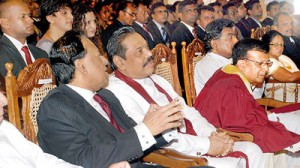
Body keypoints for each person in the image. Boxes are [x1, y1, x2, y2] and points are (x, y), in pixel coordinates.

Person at [106, 26, 267, 168]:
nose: (149, 53)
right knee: (231, 164)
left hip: (196, 140)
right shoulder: (116, 92)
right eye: (140, 51)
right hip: (170, 154)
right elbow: (154, 138)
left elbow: (189, 112)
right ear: (120, 62)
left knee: (254, 150)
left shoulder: (157, 79)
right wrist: (207, 145)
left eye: (147, 47)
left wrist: (213, 135)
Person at [37, 30, 184, 168]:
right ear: (81, 66)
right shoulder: (55, 107)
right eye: (97, 56)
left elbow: (132, 140)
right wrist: (146, 129)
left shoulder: (105, 96)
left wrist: (164, 125)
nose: (105, 61)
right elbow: (84, 159)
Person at [193, 38, 300, 164]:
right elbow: (242, 125)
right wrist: (292, 140)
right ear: (242, 64)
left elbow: (245, 110)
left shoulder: (230, 70)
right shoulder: (232, 85)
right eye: (260, 64)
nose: (265, 70)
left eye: (267, 64)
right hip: (215, 135)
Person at [0, 0, 48, 77]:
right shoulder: (2, 54)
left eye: (29, 15)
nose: (31, 20)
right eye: (23, 16)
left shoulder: (41, 54)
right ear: (5, 23)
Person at [261, 30, 300, 102]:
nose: (280, 47)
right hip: (280, 100)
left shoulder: (284, 58)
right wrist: (295, 77)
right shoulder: (267, 61)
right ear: (266, 45)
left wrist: (295, 77)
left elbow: (297, 75)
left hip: (295, 94)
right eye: (275, 44)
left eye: (282, 44)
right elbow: (290, 77)